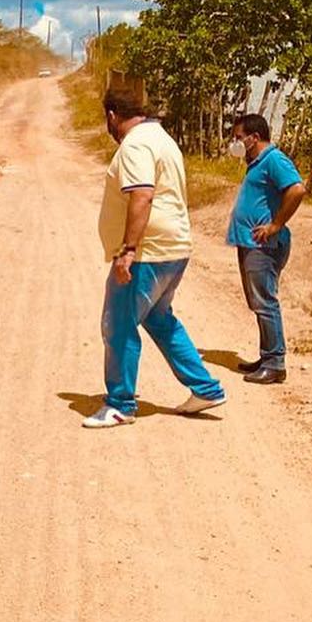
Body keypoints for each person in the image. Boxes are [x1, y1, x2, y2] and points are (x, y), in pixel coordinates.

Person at [85, 88, 226, 427]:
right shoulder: (160, 137)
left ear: (112, 116)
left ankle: (120, 404)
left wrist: (129, 249)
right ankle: (205, 387)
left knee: (117, 323)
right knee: (159, 319)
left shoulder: (135, 144)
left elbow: (142, 195)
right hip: (174, 247)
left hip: (148, 252)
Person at [226, 113, 306, 384]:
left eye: (239, 137)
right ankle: (268, 355)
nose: (236, 142)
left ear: (254, 137)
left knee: (265, 301)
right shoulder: (257, 163)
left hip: (265, 245)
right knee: (258, 301)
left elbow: (296, 190)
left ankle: (275, 363)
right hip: (252, 243)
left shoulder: (274, 159)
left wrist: (275, 225)